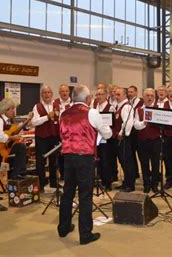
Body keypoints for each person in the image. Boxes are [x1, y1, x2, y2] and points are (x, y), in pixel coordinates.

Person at [57, 84, 112, 245]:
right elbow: (107, 133)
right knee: (85, 195)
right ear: (88, 99)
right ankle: (85, 234)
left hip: (68, 157)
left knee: (67, 192)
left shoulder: (63, 112)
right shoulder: (92, 112)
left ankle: (63, 227)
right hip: (85, 158)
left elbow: (61, 134)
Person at [31, 86, 59, 192]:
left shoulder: (57, 106)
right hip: (41, 138)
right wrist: (47, 117)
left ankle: (53, 183)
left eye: (49, 92)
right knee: (40, 162)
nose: (47, 94)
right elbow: (34, 122)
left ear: (52, 94)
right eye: (44, 92)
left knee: (54, 161)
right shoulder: (37, 106)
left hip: (54, 137)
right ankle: (41, 185)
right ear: (41, 95)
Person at [134, 88, 161, 193]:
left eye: (151, 96)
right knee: (144, 164)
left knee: (155, 164)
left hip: (155, 140)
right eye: (147, 96)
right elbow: (136, 125)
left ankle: (155, 184)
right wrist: (143, 123)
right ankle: (146, 184)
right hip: (142, 141)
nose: (150, 98)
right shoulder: (139, 110)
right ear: (143, 97)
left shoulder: (159, 108)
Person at [113, 87, 136, 192]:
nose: (116, 96)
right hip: (121, 137)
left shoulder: (126, 107)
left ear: (125, 95)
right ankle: (126, 182)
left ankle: (130, 185)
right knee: (123, 161)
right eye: (115, 94)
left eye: (119, 94)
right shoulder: (119, 106)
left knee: (127, 162)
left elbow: (128, 122)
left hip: (124, 138)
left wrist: (122, 133)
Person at [94, 87, 116, 191]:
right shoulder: (94, 107)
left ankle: (108, 182)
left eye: (101, 94)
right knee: (97, 160)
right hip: (96, 138)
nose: (98, 96)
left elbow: (112, 124)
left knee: (106, 160)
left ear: (106, 95)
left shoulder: (110, 107)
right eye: (97, 94)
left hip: (106, 138)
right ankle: (99, 180)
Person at [53, 84, 72, 179]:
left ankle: (70, 175)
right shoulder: (54, 103)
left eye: (66, 91)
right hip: (57, 134)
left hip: (71, 134)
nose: (64, 93)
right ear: (59, 93)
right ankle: (63, 175)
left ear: (69, 92)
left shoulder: (74, 103)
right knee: (60, 155)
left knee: (69, 155)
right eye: (62, 91)